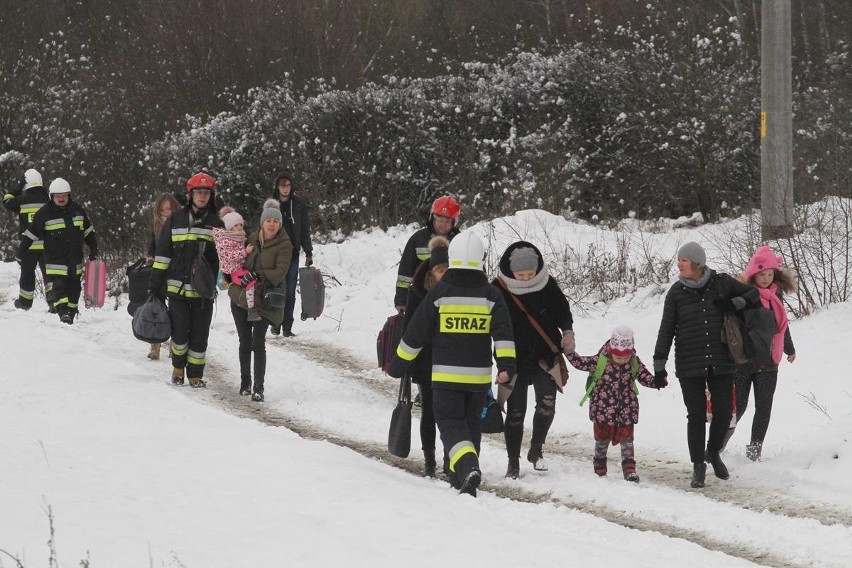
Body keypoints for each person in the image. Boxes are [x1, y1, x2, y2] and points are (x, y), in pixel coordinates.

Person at [387, 230, 516, 497]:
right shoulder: (491, 295)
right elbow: (504, 334)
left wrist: (398, 364)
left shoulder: (440, 294)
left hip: (446, 378)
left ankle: (468, 467)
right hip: (478, 379)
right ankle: (462, 479)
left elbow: (415, 333)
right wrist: (506, 367)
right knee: (470, 427)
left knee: (451, 425)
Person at [653, 241, 759, 488]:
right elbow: (666, 329)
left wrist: (734, 304)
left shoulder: (721, 283)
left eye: (684, 260)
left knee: (723, 413)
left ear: (697, 263)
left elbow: (753, 295)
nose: (679, 264)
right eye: (679, 260)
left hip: (721, 361)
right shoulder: (676, 293)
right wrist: (660, 365)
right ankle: (698, 466)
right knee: (696, 415)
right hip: (689, 363)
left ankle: (712, 452)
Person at [492, 242, 575, 479]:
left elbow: (562, 311)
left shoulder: (546, 283)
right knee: (516, 412)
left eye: (531, 274)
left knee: (547, 403)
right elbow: (491, 322)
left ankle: (536, 449)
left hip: (544, 355)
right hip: (512, 359)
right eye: (522, 275)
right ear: (511, 272)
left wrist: (567, 333)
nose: (527, 278)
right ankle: (513, 462)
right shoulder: (499, 288)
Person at [149, 172, 223, 388]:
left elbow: (221, 258)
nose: (202, 196)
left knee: (200, 335)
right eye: (198, 192)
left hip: (203, 293)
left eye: (206, 193)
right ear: (190, 195)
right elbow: (163, 256)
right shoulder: (175, 220)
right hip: (178, 290)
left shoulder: (216, 223)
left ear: (211, 195)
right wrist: (154, 287)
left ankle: (195, 375)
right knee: (179, 333)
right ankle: (178, 369)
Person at [724, 246, 797, 461]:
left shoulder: (776, 297)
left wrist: (789, 349)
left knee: (764, 406)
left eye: (770, 274)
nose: (766, 278)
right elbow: (732, 328)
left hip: (768, 361)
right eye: (762, 274)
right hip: (744, 361)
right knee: (740, 406)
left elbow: (781, 326)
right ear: (753, 273)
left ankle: (755, 449)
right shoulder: (743, 295)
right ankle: (719, 443)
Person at [566, 325, 664, 482]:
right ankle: (599, 467)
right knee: (601, 441)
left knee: (627, 441)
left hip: (626, 409)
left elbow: (644, 376)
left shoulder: (633, 362)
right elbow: (580, 363)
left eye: (626, 357)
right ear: (611, 350)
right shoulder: (600, 360)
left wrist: (657, 381)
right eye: (618, 357)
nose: (622, 360)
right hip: (602, 410)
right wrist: (569, 351)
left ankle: (629, 470)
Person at [228, 199, 292, 402]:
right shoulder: (252, 240)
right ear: (262, 223)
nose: (272, 224)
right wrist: (235, 273)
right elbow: (235, 260)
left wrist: (254, 274)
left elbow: (279, 272)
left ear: (280, 224)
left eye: (275, 221)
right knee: (244, 341)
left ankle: (259, 387)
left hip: (264, 300)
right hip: (241, 297)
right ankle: (245, 383)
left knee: (258, 342)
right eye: (268, 220)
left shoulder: (285, 244)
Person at [17, 177, 98, 325]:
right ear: (51, 197)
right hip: (55, 263)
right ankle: (63, 312)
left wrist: (94, 249)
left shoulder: (78, 211)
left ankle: (71, 313)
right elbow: (31, 234)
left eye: (64, 195)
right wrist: (20, 251)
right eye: (58, 196)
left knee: (74, 290)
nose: (61, 199)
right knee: (59, 288)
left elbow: (88, 232)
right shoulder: (44, 213)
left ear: (69, 195)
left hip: (75, 261)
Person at [403, 235, 450, 477]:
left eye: (447, 269)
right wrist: (407, 361)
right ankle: (430, 458)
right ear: (432, 271)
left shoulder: (456, 291)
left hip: (450, 358)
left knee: (448, 412)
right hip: (425, 358)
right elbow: (409, 327)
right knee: (430, 410)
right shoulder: (419, 290)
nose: (444, 273)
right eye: (441, 269)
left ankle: (448, 457)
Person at [394, 195, 461, 314]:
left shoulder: (460, 241)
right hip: (419, 298)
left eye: (447, 221)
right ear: (432, 218)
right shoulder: (417, 239)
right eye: (439, 220)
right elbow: (405, 271)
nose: (442, 224)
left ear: (454, 222)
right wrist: (401, 299)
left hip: (452, 301)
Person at [269, 173, 313, 337]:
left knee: (290, 292)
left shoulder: (299, 204)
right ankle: (275, 322)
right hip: (275, 253)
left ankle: (287, 326)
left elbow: (304, 229)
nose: (285, 189)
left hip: (293, 253)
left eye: (287, 186)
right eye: (282, 186)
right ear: (278, 187)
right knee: (277, 289)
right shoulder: (271, 204)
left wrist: (308, 251)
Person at [4, 168, 49, 310]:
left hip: (28, 246)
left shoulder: (22, 200)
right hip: (47, 246)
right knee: (50, 275)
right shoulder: (49, 199)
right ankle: (54, 301)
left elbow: (6, 201)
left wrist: (17, 189)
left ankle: (24, 303)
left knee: (27, 274)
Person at [144, 193, 180, 360]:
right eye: (163, 209)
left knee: (175, 310)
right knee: (156, 309)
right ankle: (155, 346)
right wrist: (150, 257)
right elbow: (153, 245)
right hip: (158, 270)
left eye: (169, 209)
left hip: (176, 271)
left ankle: (174, 345)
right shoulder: (156, 226)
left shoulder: (181, 224)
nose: (167, 212)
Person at [213, 206, 260, 322]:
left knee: (253, 280)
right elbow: (229, 255)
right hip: (232, 270)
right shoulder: (225, 240)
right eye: (236, 226)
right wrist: (245, 252)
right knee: (251, 281)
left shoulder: (238, 237)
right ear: (229, 227)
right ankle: (251, 309)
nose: (239, 227)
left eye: (241, 225)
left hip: (238, 268)